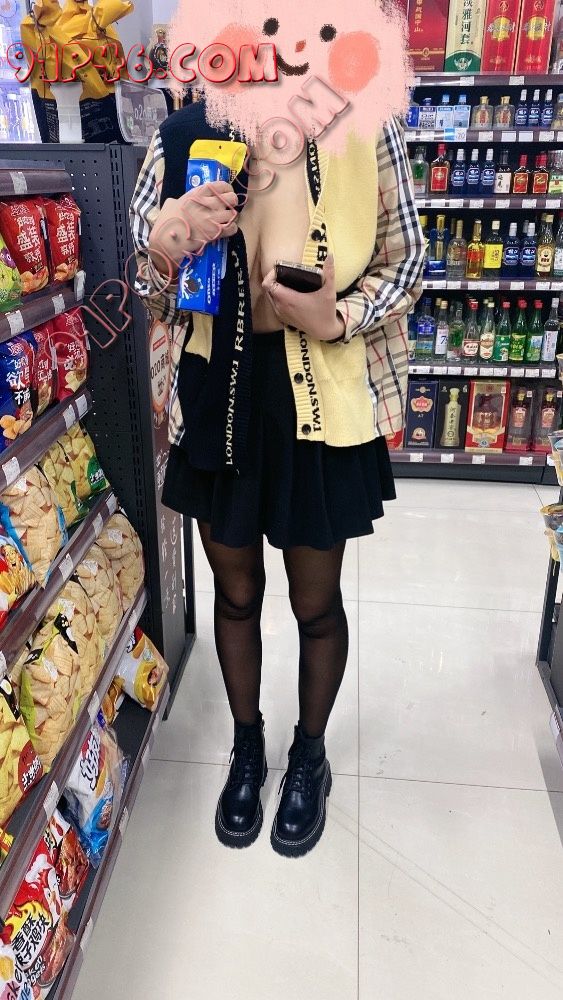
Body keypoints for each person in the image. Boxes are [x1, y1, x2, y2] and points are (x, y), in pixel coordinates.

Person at [130, 93, 424, 858]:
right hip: (215, 391)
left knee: (314, 601)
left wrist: (339, 316)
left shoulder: (367, 126)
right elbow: (148, 284)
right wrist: (161, 248)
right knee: (234, 593)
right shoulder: (182, 132)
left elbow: (407, 261)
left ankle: (308, 755)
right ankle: (246, 745)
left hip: (319, 392)